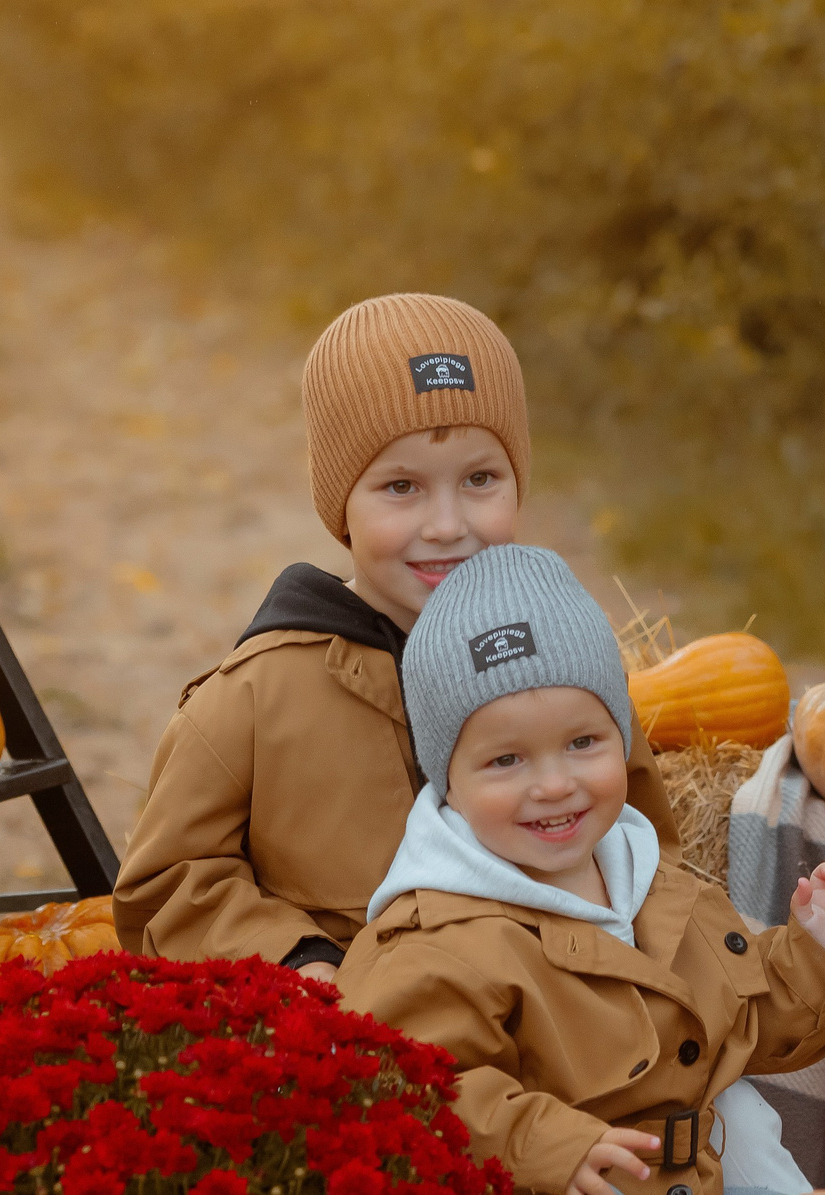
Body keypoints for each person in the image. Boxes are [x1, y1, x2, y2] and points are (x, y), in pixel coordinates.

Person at [113, 292, 677, 980]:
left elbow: (653, 851)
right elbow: (168, 882)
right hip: (371, 1048)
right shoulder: (258, 696)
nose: (446, 523)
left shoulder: (566, 659)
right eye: (402, 486)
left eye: (479, 479)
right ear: (340, 504)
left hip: (569, 1047)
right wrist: (300, 961)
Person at [338, 544, 825, 1195]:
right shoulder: (436, 941)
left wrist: (816, 958)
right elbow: (402, 1083)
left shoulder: (647, 879)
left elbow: (731, 1021)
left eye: (582, 742)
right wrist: (544, 1144)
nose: (554, 783)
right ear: (445, 778)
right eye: (507, 759)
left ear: (623, 740)